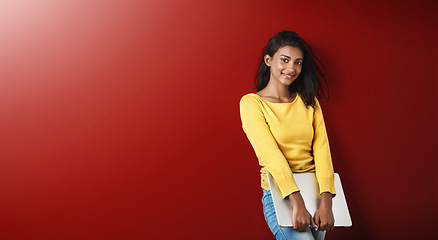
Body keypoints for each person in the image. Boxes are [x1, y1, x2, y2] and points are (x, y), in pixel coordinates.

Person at [239, 30, 336, 240]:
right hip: (281, 195)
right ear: (268, 60)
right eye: (285, 60)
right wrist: (297, 202)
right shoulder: (252, 104)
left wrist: (327, 202)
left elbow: (322, 152)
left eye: (298, 62)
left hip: (315, 193)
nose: (291, 68)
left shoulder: (310, 101)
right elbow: (271, 157)